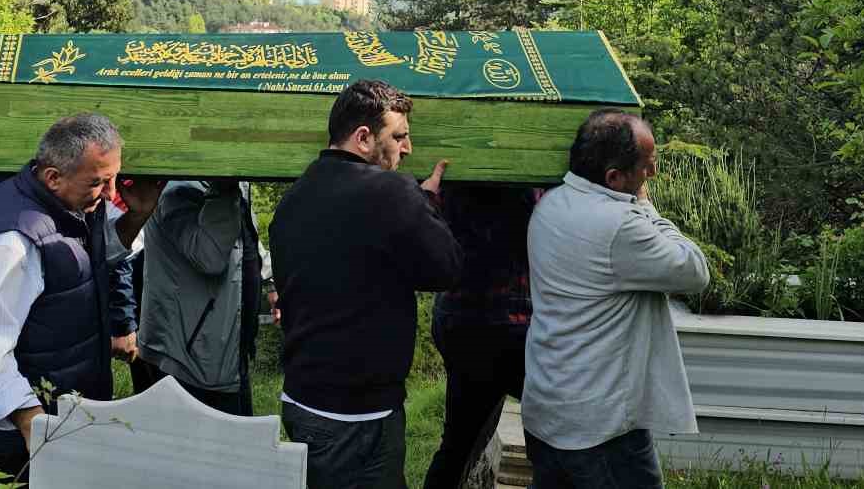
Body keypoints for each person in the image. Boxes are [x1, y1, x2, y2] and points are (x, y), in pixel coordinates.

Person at [270, 79, 461, 489]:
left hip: (304, 399)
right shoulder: (391, 192)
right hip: (357, 415)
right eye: (400, 136)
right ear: (363, 138)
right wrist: (425, 204)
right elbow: (446, 269)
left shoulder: (294, 198)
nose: (407, 149)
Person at [0, 113, 157, 479]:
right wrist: (33, 424)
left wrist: (136, 217)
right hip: (17, 438)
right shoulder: (12, 242)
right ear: (53, 177)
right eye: (98, 182)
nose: (110, 194)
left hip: (61, 418)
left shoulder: (68, 205)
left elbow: (78, 262)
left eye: (112, 179)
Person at [521, 109, 709, 489]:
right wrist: (644, 205)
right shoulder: (621, 226)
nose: (651, 175)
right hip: (601, 426)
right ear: (614, 177)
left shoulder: (549, 206)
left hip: (548, 407)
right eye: (646, 167)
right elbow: (696, 271)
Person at [421, 184, 538, 489]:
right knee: (548, 445)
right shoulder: (531, 187)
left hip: (463, 321)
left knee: (458, 442)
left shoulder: (454, 185)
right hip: (514, 325)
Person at [118, 178, 262, 415]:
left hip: (226, 353)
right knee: (192, 446)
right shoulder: (177, 192)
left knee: (234, 445)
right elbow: (210, 257)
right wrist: (224, 189)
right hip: (189, 360)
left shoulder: (228, 189)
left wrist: (269, 279)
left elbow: (243, 241)